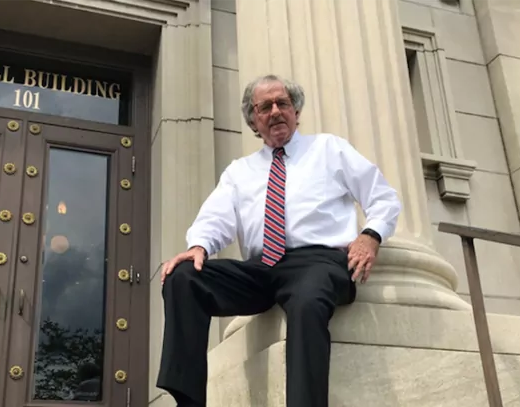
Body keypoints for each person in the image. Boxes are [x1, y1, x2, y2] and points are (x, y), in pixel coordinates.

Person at [155, 74, 402, 407]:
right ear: (254, 121)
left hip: (318, 262)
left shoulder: (329, 149)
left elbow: (383, 198)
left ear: (296, 111)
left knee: (306, 300)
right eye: (264, 107)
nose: (275, 112)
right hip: (262, 270)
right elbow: (216, 218)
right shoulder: (239, 172)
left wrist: (371, 236)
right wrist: (199, 245)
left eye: (282, 103)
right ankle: (188, 401)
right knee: (182, 277)